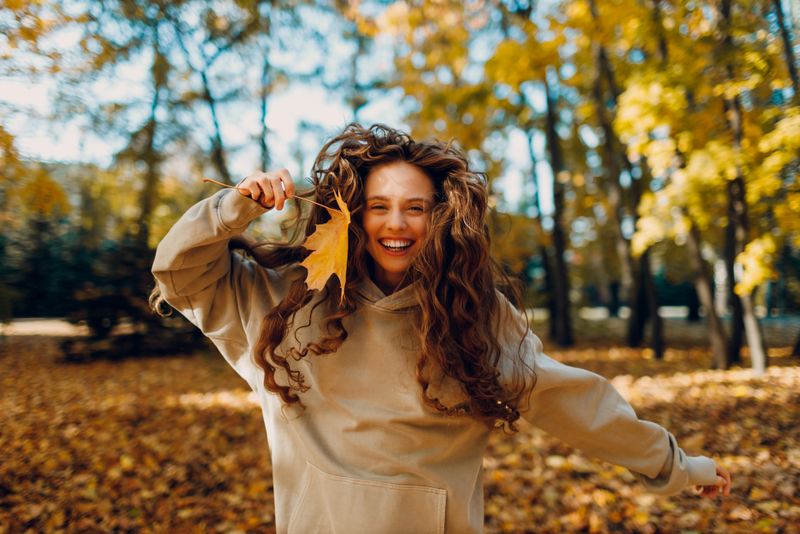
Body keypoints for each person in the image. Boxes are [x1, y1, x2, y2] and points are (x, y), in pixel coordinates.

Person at [151, 123, 731, 533]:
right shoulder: (282, 300)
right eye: (378, 206)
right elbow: (179, 274)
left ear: (441, 216)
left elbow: (573, 403)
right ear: (351, 212)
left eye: (416, 208)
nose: (396, 224)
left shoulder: (474, 314)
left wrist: (676, 466)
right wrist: (232, 208)